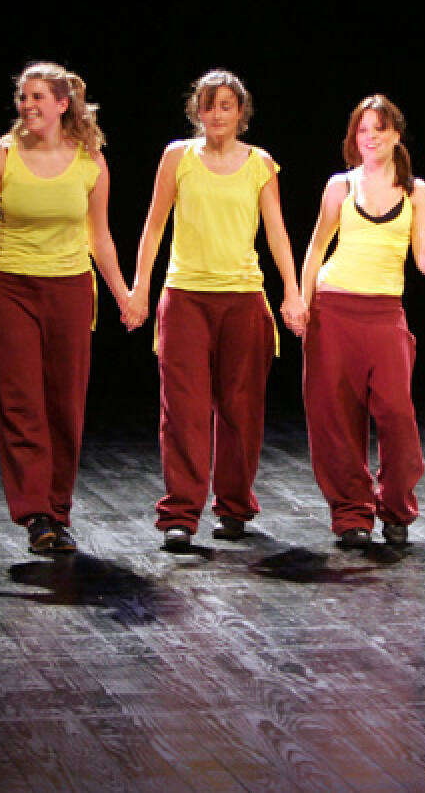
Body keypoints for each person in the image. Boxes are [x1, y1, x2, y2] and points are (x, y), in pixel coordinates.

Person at [0, 62, 135, 556]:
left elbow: (100, 238)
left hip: (70, 288)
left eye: (38, 97)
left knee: (64, 404)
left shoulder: (91, 162)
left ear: (62, 105)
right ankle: (36, 514)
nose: (27, 105)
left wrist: (124, 294)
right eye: (23, 97)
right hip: (7, 286)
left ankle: (58, 509)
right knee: (20, 401)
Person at [126, 69, 307, 550]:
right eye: (208, 106)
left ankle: (234, 506)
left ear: (241, 112)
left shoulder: (260, 163)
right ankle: (180, 514)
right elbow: (153, 226)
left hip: (243, 298)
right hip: (185, 296)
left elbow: (276, 231)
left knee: (241, 409)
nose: (217, 114)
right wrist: (140, 288)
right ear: (197, 112)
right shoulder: (177, 157)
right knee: (183, 411)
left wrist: (292, 290)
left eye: (226, 105)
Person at [297, 95, 425, 547]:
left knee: (396, 414)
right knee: (335, 418)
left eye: (379, 129)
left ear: (396, 135)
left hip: (385, 313)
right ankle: (351, 513)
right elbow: (316, 248)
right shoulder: (340, 186)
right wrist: (300, 300)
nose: (370, 137)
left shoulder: (417, 191)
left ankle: (395, 507)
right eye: (363, 130)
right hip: (333, 310)